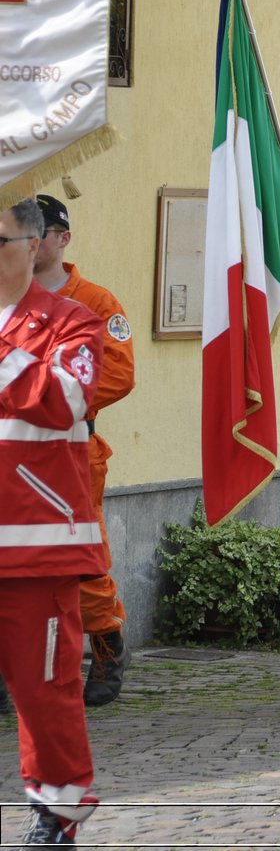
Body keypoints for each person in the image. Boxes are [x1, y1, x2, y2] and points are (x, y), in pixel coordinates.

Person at [0, 198, 105, 844]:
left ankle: (59, 810)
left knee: (45, 688)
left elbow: (67, 399)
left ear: (32, 245)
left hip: (32, 545)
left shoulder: (73, 321)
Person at [30, 194, 136, 708]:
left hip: (70, 447)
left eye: (39, 232)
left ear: (62, 238)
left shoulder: (95, 302)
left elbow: (117, 373)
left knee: (82, 561)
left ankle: (107, 648)